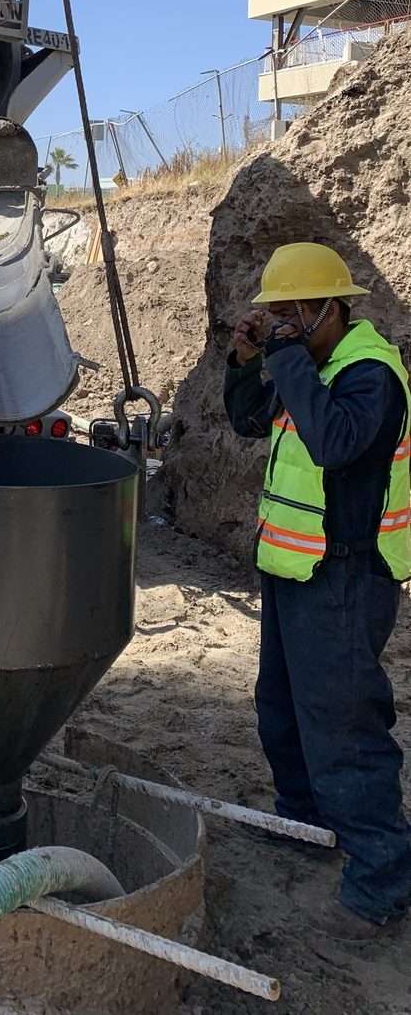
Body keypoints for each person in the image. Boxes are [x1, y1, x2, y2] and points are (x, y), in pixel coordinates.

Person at [224, 241, 411, 940]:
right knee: (281, 709)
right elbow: (250, 421)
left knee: (344, 728)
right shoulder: (310, 365)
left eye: (290, 313)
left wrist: (286, 357)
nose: (280, 324)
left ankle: (380, 882)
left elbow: (333, 443)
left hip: (346, 576)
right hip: (294, 569)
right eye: (274, 314)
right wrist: (247, 361)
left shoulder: (370, 375)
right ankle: (304, 822)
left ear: (327, 310)